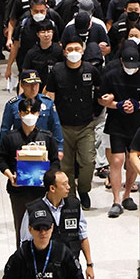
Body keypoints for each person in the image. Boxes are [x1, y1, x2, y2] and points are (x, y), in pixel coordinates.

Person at [0, 96, 60, 243]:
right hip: (19, 191)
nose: (29, 115)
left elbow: (55, 161)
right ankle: (22, 259)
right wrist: (10, 176)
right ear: (19, 114)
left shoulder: (47, 137)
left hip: (42, 192)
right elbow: (1, 160)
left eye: (33, 112)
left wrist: (49, 178)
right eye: (25, 112)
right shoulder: (10, 137)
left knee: (44, 226)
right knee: (21, 227)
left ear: (38, 114)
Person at [45, 41, 100, 209]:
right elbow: (50, 95)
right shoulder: (57, 71)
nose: (73, 52)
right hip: (63, 126)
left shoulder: (91, 70)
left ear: (83, 51)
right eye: (70, 49)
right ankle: (71, 196)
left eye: (77, 49)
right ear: (64, 52)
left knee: (88, 161)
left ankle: (84, 190)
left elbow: (99, 92)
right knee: (66, 165)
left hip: (86, 125)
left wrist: (95, 113)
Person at [99, 46, 140, 218]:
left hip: (138, 124)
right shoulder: (111, 76)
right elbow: (101, 99)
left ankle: (127, 194)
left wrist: (137, 105)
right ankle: (116, 200)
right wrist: (118, 105)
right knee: (117, 159)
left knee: (133, 159)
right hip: (117, 123)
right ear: (121, 61)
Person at [0, 69, 64, 153]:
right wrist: (2, 149)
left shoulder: (48, 103)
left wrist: (59, 148)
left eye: (36, 84)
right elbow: (5, 129)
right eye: (29, 85)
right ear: (22, 85)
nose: (33, 88)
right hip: (20, 146)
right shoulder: (13, 105)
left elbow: (56, 126)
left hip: (43, 145)